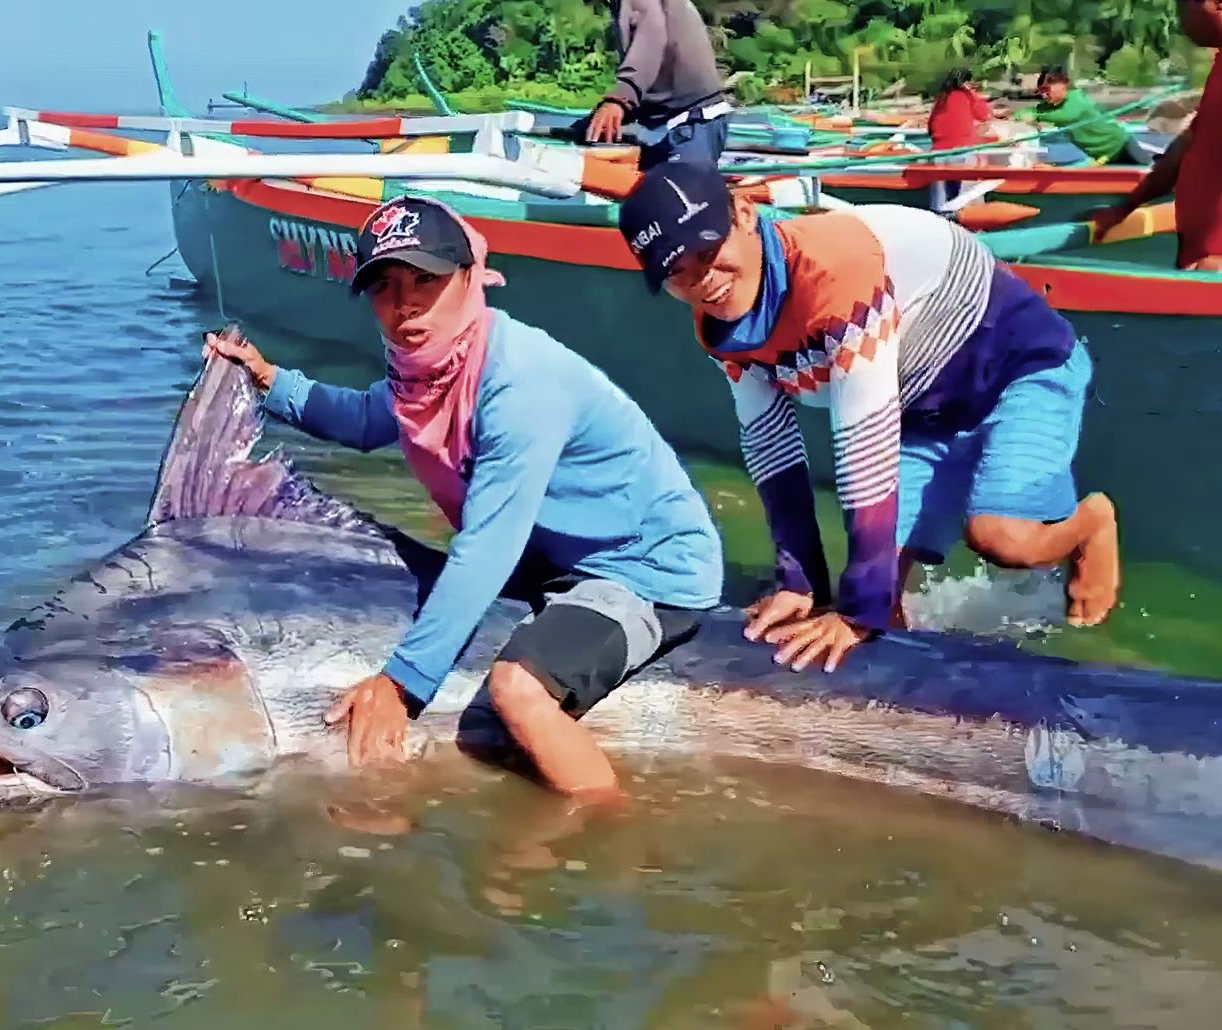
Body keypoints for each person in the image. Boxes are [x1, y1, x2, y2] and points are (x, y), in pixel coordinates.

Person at [202, 194, 723, 800]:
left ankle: (606, 834)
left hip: (642, 570)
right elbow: (372, 419)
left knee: (518, 690)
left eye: (427, 278)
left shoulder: (518, 381)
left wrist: (403, 686)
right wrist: (272, 381)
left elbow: (487, 543)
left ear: (471, 275)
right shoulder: (423, 370)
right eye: (385, 287)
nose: (405, 304)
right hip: (552, 559)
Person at [616, 159, 1121, 673]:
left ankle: (1093, 522)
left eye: (707, 251)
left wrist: (857, 612)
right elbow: (771, 447)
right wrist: (800, 582)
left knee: (1000, 539)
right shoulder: (721, 328)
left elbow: (864, 439)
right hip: (922, 404)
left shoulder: (835, 268)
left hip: (1019, 370)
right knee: (887, 585)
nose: (704, 282)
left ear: (745, 213)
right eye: (676, 272)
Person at [1092, 0, 1222, 270]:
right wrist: (1124, 208)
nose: (1179, 19)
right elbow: (1188, 145)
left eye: (1182, 6)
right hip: (1199, 259)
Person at [582, 0, 732, 168]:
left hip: (693, 122)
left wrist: (620, 99)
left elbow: (652, 41)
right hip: (680, 122)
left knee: (678, 192)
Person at [925, 67, 1011, 216]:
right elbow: (983, 114)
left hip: (938, 151)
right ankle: (964, 221)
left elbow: (931, 126)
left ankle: (939, 217)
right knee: (962, 195)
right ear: (965, 82)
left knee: (939, 199)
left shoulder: (942, 98)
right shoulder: (967, 95)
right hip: (961, 150)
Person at [1014, 68, 1139, 165]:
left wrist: (1035, 117)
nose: (1044, 95)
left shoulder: (1077, 98)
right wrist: (1016, 115)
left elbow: (1066, 116)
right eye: (1041, 91)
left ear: (1063, 85)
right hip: (1100, 154)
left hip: (1120, 145)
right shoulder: (1053, 105)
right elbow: (1032, 110)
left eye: (1047, 89)